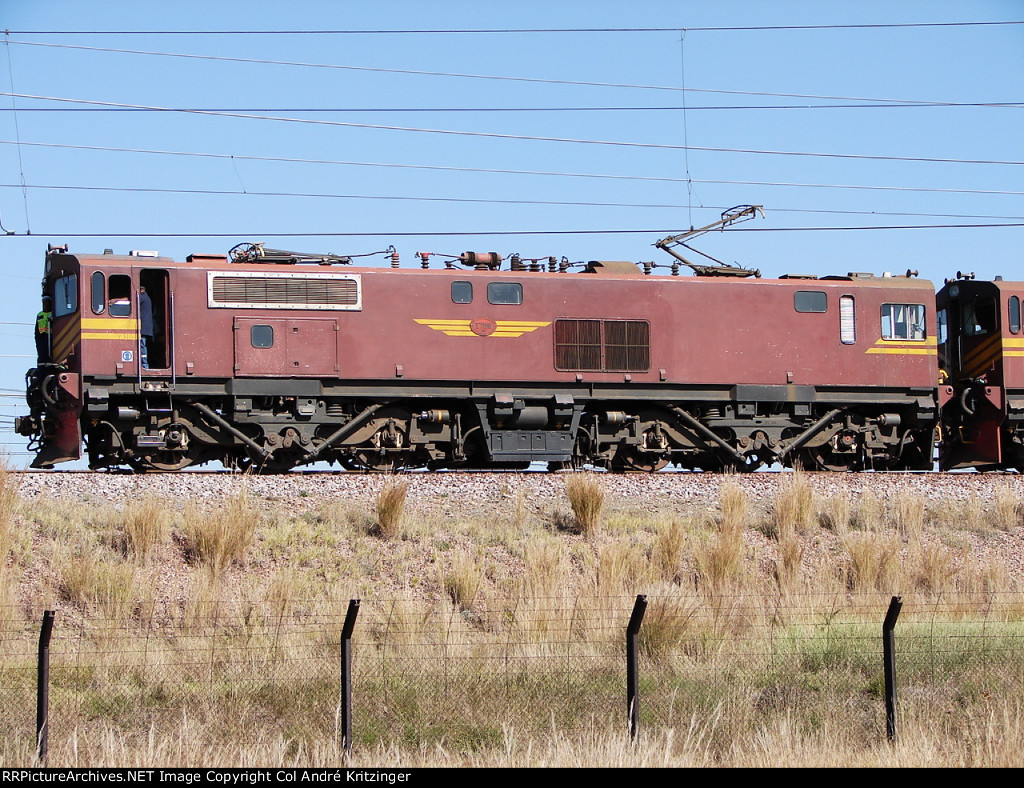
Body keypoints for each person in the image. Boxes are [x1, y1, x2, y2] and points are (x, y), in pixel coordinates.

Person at [138, 286, 154, 369]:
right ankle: (144, 364)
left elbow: (132, 301)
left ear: (141, 290)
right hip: (146, 326)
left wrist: (115, 300)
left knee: (142, 346)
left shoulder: (142, 297)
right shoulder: (147, 298)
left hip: (143, 326)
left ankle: (144, 365)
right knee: (143, 345)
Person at [35, 296, 52, 364]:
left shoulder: (52, 314)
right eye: (44, 302)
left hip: (50, 336)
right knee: (41, 352)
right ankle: (41, 364)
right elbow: (37, 328)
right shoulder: (39, 314)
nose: (45, 305)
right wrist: (37, 337)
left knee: (49, 351)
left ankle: (49, 362)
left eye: (47, 302)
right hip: (41, 336)